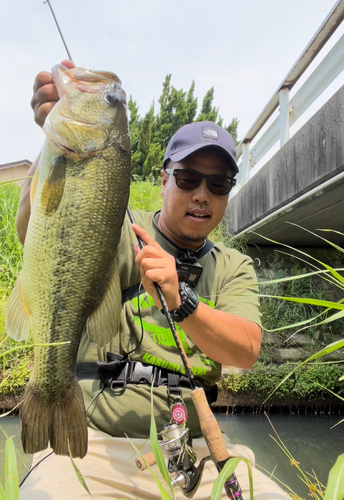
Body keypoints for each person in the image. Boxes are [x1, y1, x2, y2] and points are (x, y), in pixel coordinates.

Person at [17, 60, 291, 500]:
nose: (202, 194)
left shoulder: (234, 266)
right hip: (98, 443)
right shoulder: (119, 227)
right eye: (188, 178)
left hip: (196, 453)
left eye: (218, 185)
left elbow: (247, 349)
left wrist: (182, 300)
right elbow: (39, 228)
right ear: (164, 180)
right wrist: (52, 136)